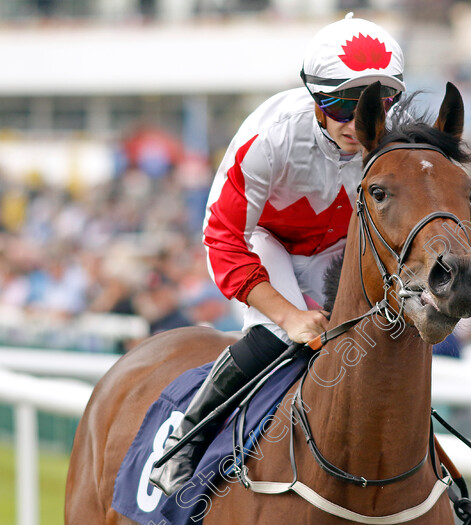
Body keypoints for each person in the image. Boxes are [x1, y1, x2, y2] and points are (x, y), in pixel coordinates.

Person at [150, 14, 406, 495]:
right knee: (282, 336)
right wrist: (288, 315)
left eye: (373, 105)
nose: (357, 123)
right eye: (341, 105)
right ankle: (184, 442)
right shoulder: (271, 138)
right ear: (315, 98)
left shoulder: (388, 146)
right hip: (264, 240)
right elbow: (223, 237)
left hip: (335, 248)